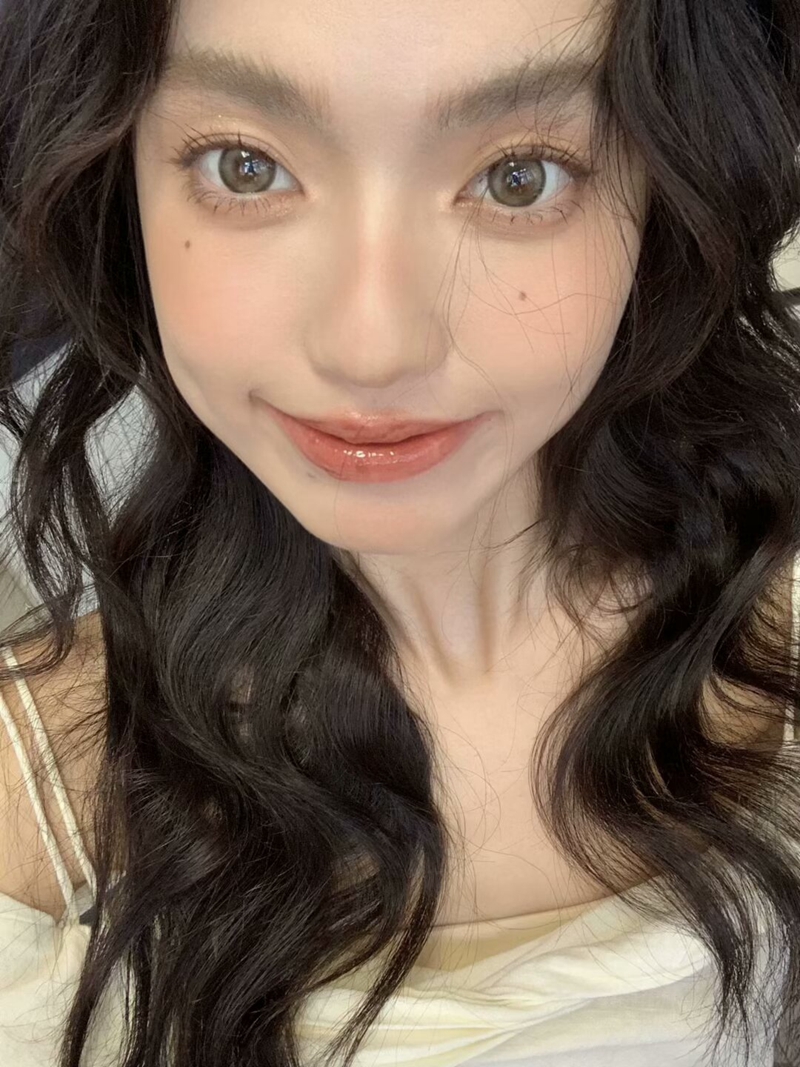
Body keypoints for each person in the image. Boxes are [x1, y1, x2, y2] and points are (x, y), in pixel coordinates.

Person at [1, 0, 800, 1063]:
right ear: (122, 179)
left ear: (669, 185)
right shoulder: (28, 806)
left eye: (518, 176)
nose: (371, 348)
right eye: (246, 166)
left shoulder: (779, 630)